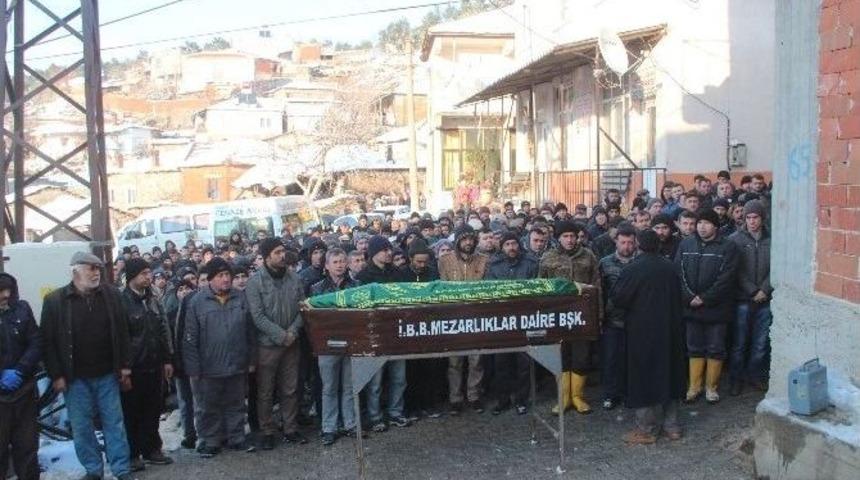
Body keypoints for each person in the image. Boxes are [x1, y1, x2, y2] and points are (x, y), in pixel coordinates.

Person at [41, 252, 135, 480]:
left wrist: (125, 366)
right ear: (75, 271)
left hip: (107, 374)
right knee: (82, 427)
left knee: (114, 423)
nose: (96, 273)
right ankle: (93, 470)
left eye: (98, 269)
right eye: (91, 268)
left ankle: (121, 469)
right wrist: (56, 375)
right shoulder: (55, 301)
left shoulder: (111, 295)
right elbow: (47, 341)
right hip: (75, 378)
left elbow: (123, 331)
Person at [612, 230, 686, 444]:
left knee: (643, 377)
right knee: (671, 373)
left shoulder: (633, 269)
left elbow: (619, 298)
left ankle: (647, 429)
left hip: (642, 332)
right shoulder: (670, 267)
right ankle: (672, 426)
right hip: (671, 330)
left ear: (638, 245)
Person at [183, 258, 257, 457]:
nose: (226, 279)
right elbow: (190, 338)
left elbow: (250, 331)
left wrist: (251, 359)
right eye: (220, 275)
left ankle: (237, 438)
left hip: (236, 362)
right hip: (209, 366)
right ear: (210, 279)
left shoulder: (240, 298)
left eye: (227, 275)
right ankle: (210, 441)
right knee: (208, 407)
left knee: (236, 404)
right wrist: (193, 367)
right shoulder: (197, 302)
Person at [246, 238, 307, 450]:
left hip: (291, 343)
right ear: (266, 257)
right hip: (268, 345)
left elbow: (303, 307)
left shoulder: (294, 278)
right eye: (277, 252)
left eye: (283, 251)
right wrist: (281, 335)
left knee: (290, 389)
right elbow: (257, 316)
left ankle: (290, 428)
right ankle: (267, 431)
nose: (283, 256)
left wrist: (293, 331)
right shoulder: (255, 282)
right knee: (265, 391)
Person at [676, 209, 739, 404]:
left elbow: (726, 278)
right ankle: (694, 387)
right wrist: (689, 297)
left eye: (707, 223)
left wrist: (705, 298)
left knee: (715, 347)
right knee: (693, 347)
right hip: (691, 307)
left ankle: (711, 387)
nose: (702, 227)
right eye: (700, 223)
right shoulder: (686, 244)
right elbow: (678, 273)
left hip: (716, 309)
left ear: (716, 226)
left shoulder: (728, 247)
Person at [539, 221, 600, 414]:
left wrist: (598, 316)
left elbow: (597, 286)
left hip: (582, 315)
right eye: (565, 236)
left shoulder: (588, 255)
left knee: (581, 357)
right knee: (561, 356)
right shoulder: (548, 257)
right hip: (557, 316)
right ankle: (564, 397)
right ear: (558, 238)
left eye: (572, 236)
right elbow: (541, 286)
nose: (570, 239)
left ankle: (577, 396)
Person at [119, 259, 174, 471]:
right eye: (143, 273)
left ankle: (152, 449)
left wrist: (167, 359)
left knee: (153, 409)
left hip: (154, 363)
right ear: (132, 276)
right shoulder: (122, 301)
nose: (148, 277)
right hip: (134, 367)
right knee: (131, 412)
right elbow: (120, 337)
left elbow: (162, 329)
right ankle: (133, 454)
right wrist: (124, 367)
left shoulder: (153, 299)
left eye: (149, 272)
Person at [356, 236, 412, 431]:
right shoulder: (363, 276)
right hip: (376, 333)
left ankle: (396, 412)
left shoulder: (397, 273)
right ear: (374, 252)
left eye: (390, 249)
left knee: (399, 377)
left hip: (396, 330)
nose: (389, 253)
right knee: (375, 380)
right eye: (384, 250)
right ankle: (375, 416)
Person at [311, 248, 362, 446]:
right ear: (327, 266)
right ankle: (329, 427)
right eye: (335, 262)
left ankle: (350, 424)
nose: (340, 265)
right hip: (328, 344)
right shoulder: (317, 288)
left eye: (342, 261)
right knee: (329, 387)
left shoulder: (356, 286)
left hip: (350, 341)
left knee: (350, 386)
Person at [484, 232, 538, 415]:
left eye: (514, 243)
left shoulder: (530, 263)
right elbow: (489, 290)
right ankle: (503, 400)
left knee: (524, 364)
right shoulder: (494, 265)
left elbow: (536, 288)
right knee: (501, 364)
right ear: (502, 247)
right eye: (507, 244)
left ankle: (522, 400)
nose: (511, 247)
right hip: (502, 321)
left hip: (524, 319)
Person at [438, 226, 489, 414]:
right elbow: (442, 288)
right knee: (454, 361)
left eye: (471, 239)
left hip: (476, 315)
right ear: (458, 240)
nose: (468, 242)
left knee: (476, 360)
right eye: (464, 239)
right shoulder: (445, 260)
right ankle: (455, 398)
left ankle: (474, 396)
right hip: (454, 316)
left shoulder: (484, 260)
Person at [396, 239, 445, 419]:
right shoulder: (401, 274)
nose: (422, 265)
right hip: (409, 326)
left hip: (429, 325)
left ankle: (429, 404)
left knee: (430, 369)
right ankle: (411, 407)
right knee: (411, 370)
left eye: (425, 262)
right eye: (419, 262)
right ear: (410, 259)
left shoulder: (432, 272)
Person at [728, 200, 772, 395]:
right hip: (743, 299)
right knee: (739, 342)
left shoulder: (772, 239)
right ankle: (736, 378)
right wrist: (752, 290)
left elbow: (777, 266)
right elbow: (735, 270)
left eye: (755, 217)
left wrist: (764, 289)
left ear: (762, 218)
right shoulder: (735, 240)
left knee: (760, 343)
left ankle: (755, 375)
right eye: (748, 217)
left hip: (765, 299)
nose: (752, 221)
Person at [0, 273, 40, 480]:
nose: (5, 296)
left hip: (24, 390)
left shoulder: (22, 309)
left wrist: (20, 370)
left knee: (27, 447)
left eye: (8, 291)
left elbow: (36, 342)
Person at [598, 226, 637, 410]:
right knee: (611, 358)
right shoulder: (605, 263)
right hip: (612, 319)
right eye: (623, 242)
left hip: (636, 319)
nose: (626, 246)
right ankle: (610, 394)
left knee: (633, 359)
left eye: (630, 242)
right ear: (616, 242)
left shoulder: (640, 262)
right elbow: (599, 291)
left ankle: (630, 393)